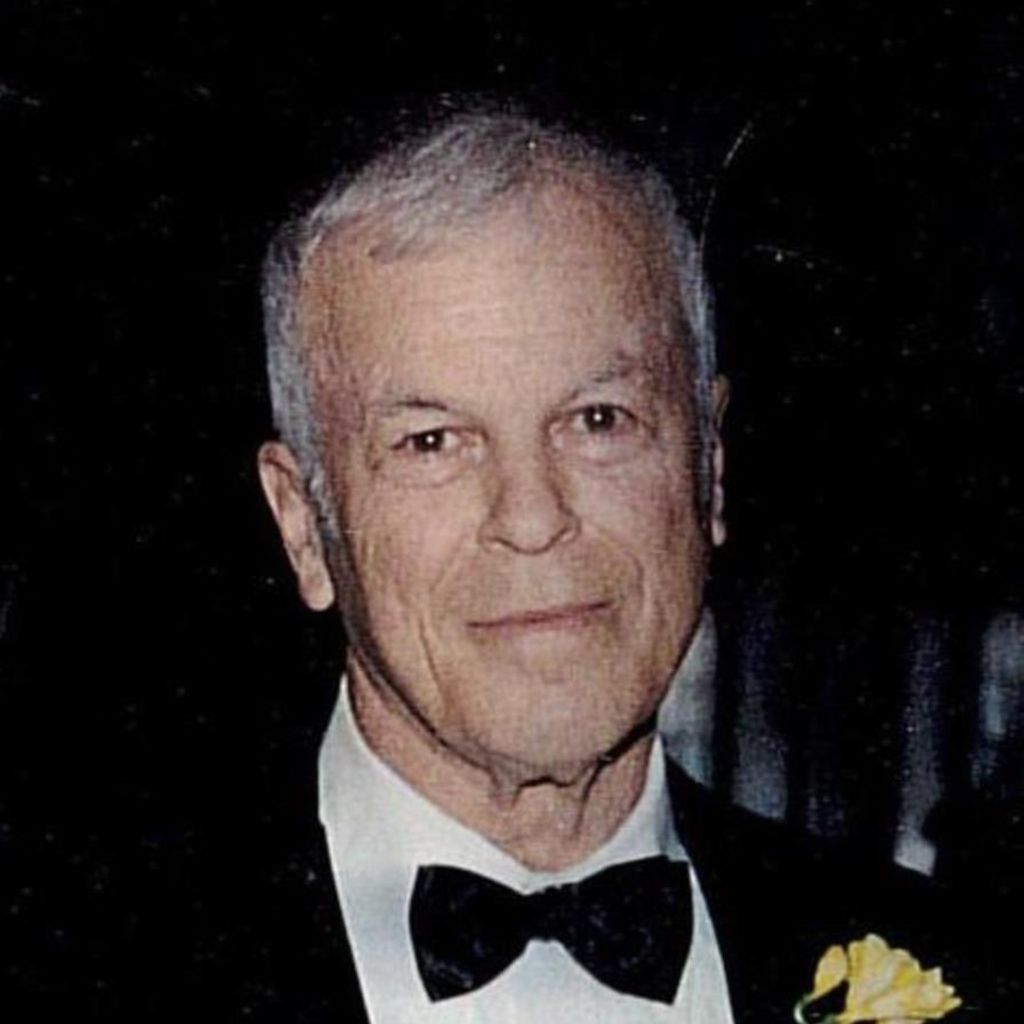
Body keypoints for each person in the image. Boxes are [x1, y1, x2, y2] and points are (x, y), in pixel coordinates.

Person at [244, 110, 984, 1022]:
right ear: (303, 526)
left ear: (710, 467)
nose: (533, 519)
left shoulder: (956, 966)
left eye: (599, 420)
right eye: (431, 442)